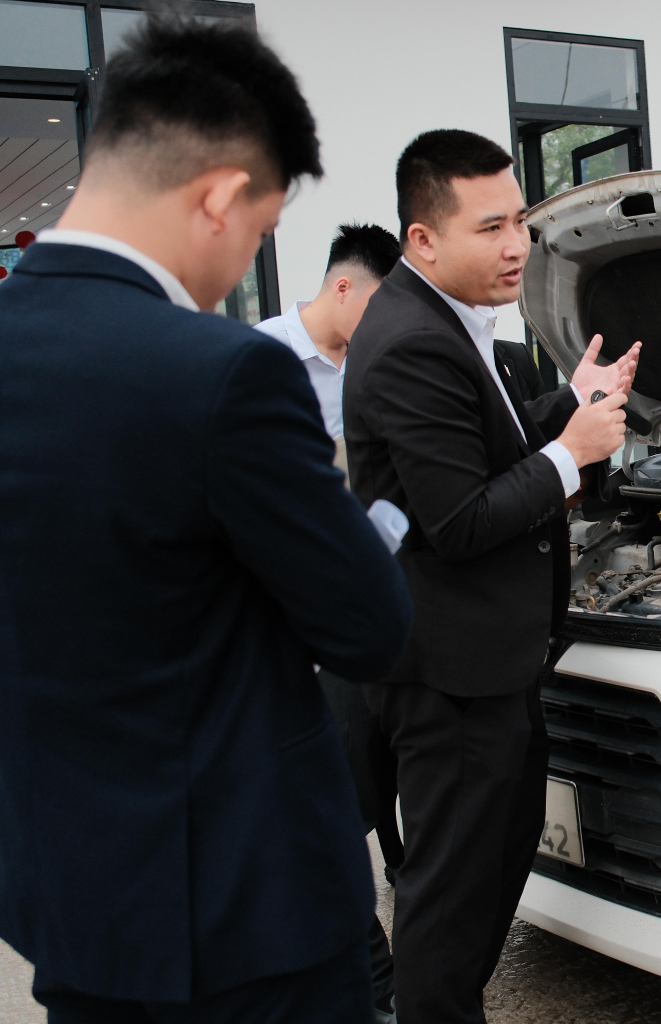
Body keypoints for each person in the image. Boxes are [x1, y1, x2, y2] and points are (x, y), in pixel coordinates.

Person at [0, 16, 413, 1022]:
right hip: (248, 915)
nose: (246, 258)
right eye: (262, 231)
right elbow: (368, 624)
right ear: (222, 198)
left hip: (70, 907)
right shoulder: (223, 374)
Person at [344, 129, 639, 1024]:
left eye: (519, 222)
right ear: (424, 238)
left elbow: (485, 445)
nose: (517, 246)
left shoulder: (447, 320)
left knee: (486, 876)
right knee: (449, 907)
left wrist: (568, 402)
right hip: (450, 680)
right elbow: (461, 520)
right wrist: (572, 452)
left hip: (488, 667)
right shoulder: (411, 342)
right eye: (490, 228)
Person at [258, 222, 405, 1022]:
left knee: (374, 791)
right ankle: (372, 986)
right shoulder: (261, 361)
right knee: (330, 814)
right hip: (293, 634)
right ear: (342, 287)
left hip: (365, 614)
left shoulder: (371, 366)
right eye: (379, 305)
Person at [257, 223, 402, 470]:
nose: (384, 319)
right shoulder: (263, 351)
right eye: (378, 306)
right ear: (343, 289)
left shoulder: (379, 354)